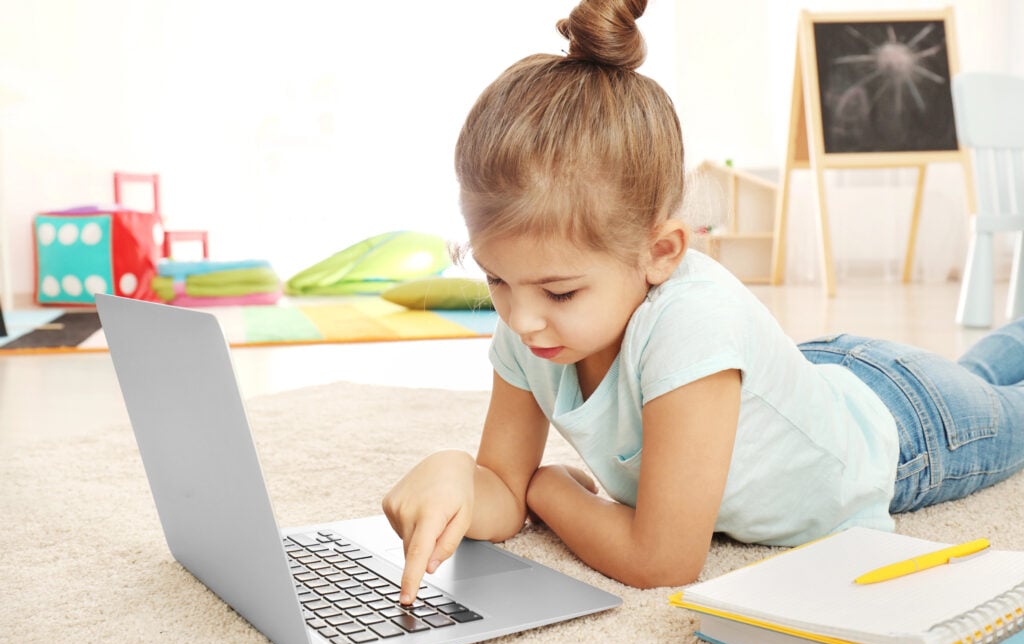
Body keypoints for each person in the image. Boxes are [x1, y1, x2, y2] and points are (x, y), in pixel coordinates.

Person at [382, 0, 1024, 606]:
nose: (520, 318)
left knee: (1001, 400)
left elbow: (661, 561)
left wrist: (548, 488)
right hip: (821, 377)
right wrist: (455, 472)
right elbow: (501, 486)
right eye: (496, 280)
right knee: (983, 370)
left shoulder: (692, 323)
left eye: (560, 291)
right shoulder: (534, 325)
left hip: (908, 429)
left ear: (660, 253)